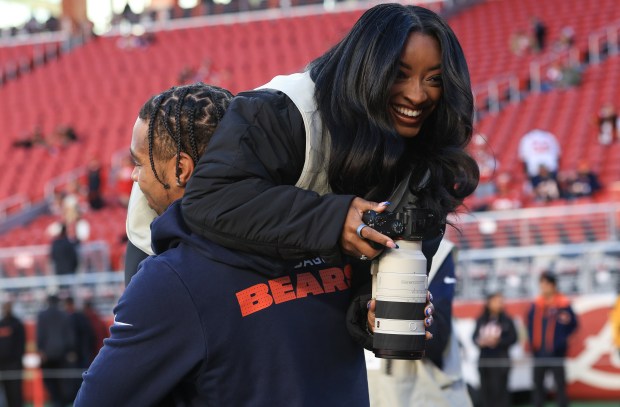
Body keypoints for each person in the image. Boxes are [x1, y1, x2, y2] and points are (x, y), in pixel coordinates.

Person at [77, 82, 404, 406]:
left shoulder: (170, 281)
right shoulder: (327, 240)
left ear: (181, 169)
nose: (135, 177)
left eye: (139, 163)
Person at [181, 5, 479, 349]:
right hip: (211, 323)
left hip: (303, 344)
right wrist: (335, 219)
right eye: (399, 74)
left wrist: (370, 311)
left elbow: (362, 291)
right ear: (366, 69)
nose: (417, 94)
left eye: (434, 80)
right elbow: (209, 199)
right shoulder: (281, 110)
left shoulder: (426, 159)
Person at [367, 239, 472, 407]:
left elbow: (437, 340)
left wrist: (407, 302)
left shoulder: (437, 249)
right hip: (366, 389)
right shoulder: (353, 240)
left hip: (418, 391)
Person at [527, 271, 578, 407]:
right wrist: (532, 344)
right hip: (539, 351)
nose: (543, 287)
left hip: (556, 352)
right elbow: (529, 325)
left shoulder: (563, 303)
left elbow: (573, 324)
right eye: (541, 284)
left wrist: (561, 341)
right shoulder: (536, 304)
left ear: (553, 285)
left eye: (546, 284)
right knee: (537, 385)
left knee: (560, 385)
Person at [473, 292, 518, 407]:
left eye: (501, 302)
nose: (499, 304)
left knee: (499, 391)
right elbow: (474, 337)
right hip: (484, 360)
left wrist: (499, 341)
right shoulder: (482, 319)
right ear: (489, 303)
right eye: (496, 301)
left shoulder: (507, 320)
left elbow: (513, 338)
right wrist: (481, 341)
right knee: (485, 391)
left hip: (500, 360)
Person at [37, 294, 76, 407]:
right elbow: (70, 335)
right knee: (63, 381)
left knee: (50, 381)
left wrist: (41, 350)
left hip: (47, 354)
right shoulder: (65, 315)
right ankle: (61, 402)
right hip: (63, 353)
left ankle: (56, 401)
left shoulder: (42, 315)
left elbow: (40, 334)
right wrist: (70, 351)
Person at [64, 297, 96, 401]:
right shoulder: (81, 317)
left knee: (79, 380)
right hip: (85, 353)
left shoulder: (75, 317)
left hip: (80, 354)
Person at [0, 302, 25, 407]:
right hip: (1, 366)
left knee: (15, 394)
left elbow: (21, 344)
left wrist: (17, 361)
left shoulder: (17, 324)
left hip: (14, 365)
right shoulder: (1, 323)